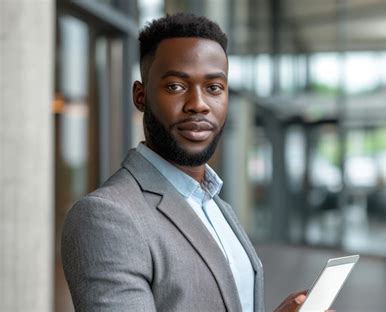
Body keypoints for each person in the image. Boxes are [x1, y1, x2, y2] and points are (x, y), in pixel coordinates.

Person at [61, 13, 308, 312]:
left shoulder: (215, 205)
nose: (199, 104)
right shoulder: (106, 217)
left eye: (214, 88)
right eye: (176, 86)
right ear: (141, 96)